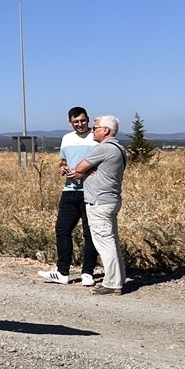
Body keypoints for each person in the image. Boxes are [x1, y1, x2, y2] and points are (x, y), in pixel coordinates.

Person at [38, 107, 100, 286]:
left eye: (82, 121)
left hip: (90, 190)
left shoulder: (96, 138)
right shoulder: (66, 138)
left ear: (88, 119)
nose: (80, 124)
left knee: (90, 233)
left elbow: (103, 162)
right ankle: (62, 271)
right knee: (62, 230)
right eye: (76, 122)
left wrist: (84, 173)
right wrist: (62, 167)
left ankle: (88, 272)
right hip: (69, 190)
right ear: (70, 122)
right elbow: (64, 160)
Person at [67, 115, 127, 295]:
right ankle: (118, 278)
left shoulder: (104, 149)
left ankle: (112, 283)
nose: (93, 130)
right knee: (111, 240)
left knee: (104, 242)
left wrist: (84, 170)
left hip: (99, 201)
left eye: (96, 128)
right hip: (110, 199)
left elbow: (79, 167)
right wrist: (88, 170)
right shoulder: (119, 148)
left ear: (106, 131)